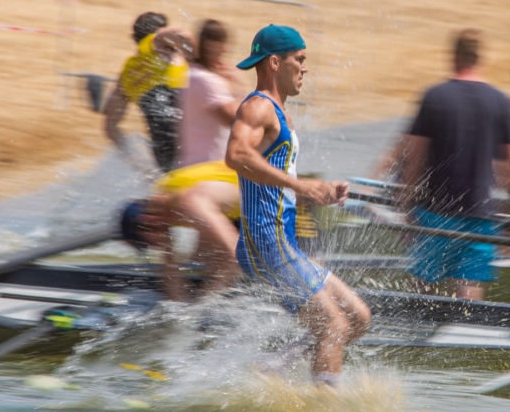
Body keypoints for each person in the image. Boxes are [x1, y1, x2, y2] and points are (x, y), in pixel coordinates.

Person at [225, 24, 370, 388]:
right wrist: (299, 183)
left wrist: (316, 191)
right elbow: (236, 155)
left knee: (357, 318)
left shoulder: (280, 113)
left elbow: (276, 183)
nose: (305, 68)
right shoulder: (259, 107)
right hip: (265, 243)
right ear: (275, 62)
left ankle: (274, 366)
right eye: (299, 59)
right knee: (333, 325)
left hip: (282, 242)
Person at [396, 28, 510, 301]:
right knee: (469, 302)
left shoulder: (435, 96)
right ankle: (465, 337)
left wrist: (406, 205)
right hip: (481, 217)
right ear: (481, 59)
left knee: (422, 296)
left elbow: (415, 156)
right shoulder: (499, 101)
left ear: (453, 56)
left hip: (436, 215)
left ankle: (418, 335)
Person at [119, 160, 241, 301]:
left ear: (148, 222)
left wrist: (203, 306)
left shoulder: (191, 203)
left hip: (268, 196)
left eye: (147, 242)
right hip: (242, 205)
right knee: (211, 263)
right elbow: (172, 279)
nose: (153, 247)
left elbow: (237, 255)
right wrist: (167, 247)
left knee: (218, 264)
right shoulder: (164, 198)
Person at [104, 12, 193, 172]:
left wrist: (143, 167)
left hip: (161, 147)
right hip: (188, 132)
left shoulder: (127, 73)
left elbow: (110, 127)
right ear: (159, 29)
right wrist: (201, 59)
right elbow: (181, 34)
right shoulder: (156, 42)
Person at [178, 19, 242, 168]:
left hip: (194, 165)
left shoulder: (192, 74)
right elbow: (239, 121)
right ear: (210, 45)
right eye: (222, 43)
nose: (225, 50)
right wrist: (238, 86)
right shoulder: (206, 81)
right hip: (210, 168)